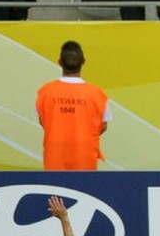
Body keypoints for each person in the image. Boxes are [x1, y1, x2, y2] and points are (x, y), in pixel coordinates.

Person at [36, 41, 111, 171]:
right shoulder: (97, 94)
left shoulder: (45, 91)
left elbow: (43, 121)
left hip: (54, 156)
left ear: (59, 62)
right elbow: (103, 126)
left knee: (56, 190)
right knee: (83, 191)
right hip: (85, 156)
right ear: (83, 62)